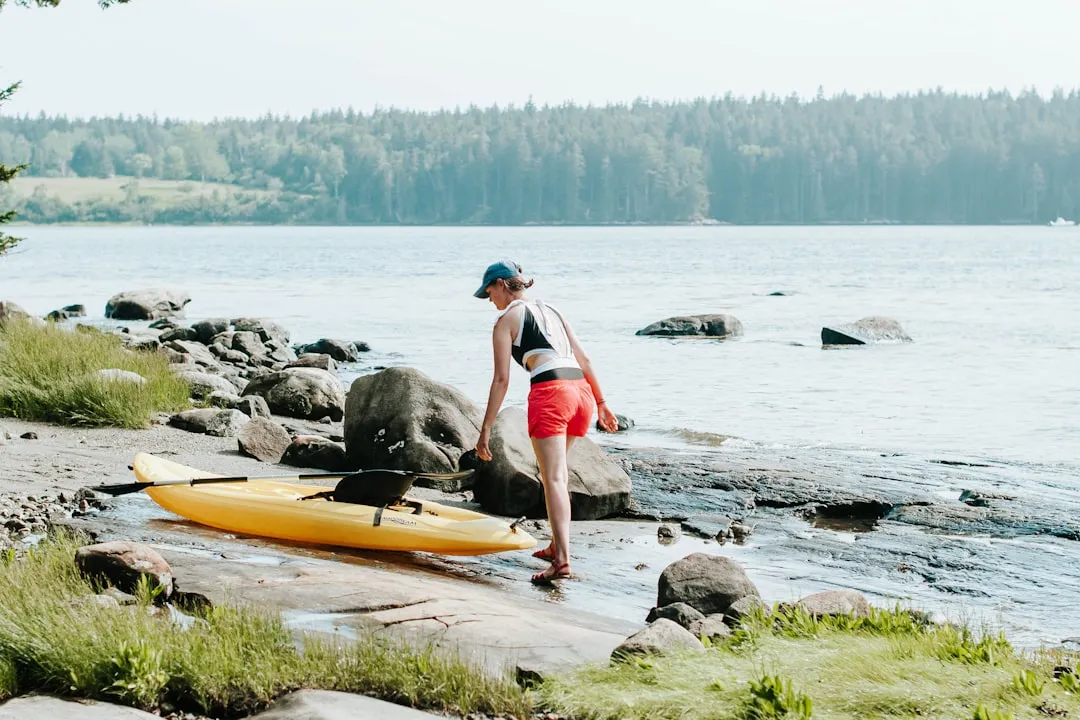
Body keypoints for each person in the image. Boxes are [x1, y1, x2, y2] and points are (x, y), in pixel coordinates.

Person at [472, 260, 618, 584]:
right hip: (580, 393)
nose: (489, 300)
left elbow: (500, 380)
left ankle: (562, 562)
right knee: (557, 475)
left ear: (500, 285)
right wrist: (603, 403)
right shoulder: (552, 309)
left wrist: (484, 430)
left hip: (551, 391)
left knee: (553, 479)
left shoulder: (504, 321)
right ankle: (556, 545)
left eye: (488, 292)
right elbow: (585, 358)